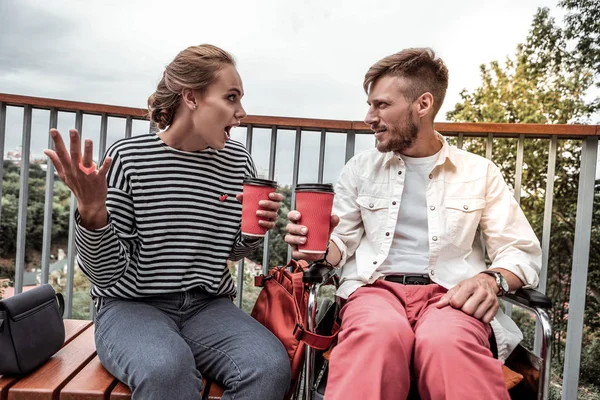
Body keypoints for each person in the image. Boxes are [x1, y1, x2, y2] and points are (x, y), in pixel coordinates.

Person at [285, 48, 541, 400]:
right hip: (376, 290)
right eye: (370, 105)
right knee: (375, 337)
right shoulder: (360, 170)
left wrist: (490, 279)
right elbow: (340, 246)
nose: (369, 117)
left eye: (381, 105)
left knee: (448, 344)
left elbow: (519, 251)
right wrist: (315, 249)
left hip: (451, 296)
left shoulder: (478, 172)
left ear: (422, 104)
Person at [44, 44, 291, 400]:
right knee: (166, 371)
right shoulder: (129, 159)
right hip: (131, 307)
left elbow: (232, 250)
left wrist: (253, 232)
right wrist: (93, 212)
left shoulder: (238, 162)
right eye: (231, 98)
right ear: (191, 97)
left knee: (269, 367)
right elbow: (106, 274)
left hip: (208, 306)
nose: (242, 112)